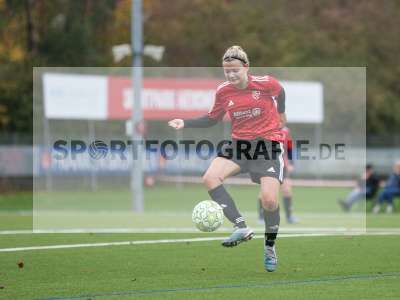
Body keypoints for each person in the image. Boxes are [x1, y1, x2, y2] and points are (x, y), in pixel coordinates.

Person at [168, 45, 287, 272]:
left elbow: (281, 92)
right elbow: (212, 119)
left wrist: (281, 113)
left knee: (269, 201)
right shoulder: (223, 91)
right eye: (226, 71)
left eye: (235, 70)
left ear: (246, 67)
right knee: (210, 177)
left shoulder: (265, 83)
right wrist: (185, 122)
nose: (231, 75)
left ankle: (269, 246)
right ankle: (240, 226)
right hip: (239, 144)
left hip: (268, 144)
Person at [257, 126, 299, 223]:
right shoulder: (265, 127)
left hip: (282, 164)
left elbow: (288, 146)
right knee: (264, 191)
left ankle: (289, 217)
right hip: (268, 163)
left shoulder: (285, 130)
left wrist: (291, 163)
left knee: (287, 190)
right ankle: (261, 217)